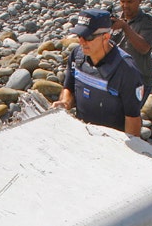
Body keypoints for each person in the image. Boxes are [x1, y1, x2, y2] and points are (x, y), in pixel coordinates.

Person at [53, 8, 144, 136]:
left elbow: (133, 119)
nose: (82, 42)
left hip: (112, 142)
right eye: (79, 36)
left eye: (88, 37)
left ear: (106, 37)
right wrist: (65, 103)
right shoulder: (77, 56)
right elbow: (69, 88)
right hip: (83, 134)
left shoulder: (127, 71)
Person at [111, 0, 152, 104]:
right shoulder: (116, 19)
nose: (125, 5)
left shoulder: (148, 22)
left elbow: (144, 48)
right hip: (116, 77)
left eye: (130, 2)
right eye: (122, 1)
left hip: (139, 80)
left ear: (139, 1)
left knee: (130, 117)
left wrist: (125, 27)